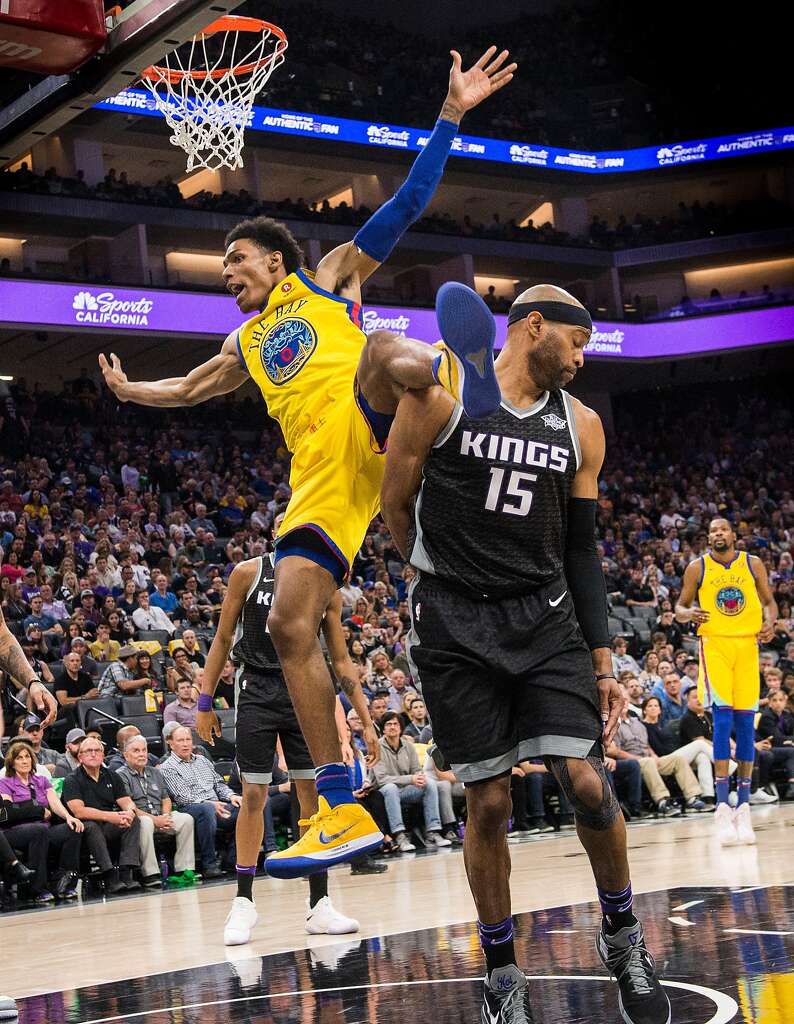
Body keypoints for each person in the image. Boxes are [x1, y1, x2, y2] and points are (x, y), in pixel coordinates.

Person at [99, 48, 515, 874]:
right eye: (223, 271)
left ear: (273, 261)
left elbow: (404, 205)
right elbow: (187, 387)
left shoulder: (324, 280)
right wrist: (127, 392)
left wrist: (451, 115)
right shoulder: (244, 344)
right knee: (289, 623)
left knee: (379, 350)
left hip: (366, 415)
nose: (228, 277)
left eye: (236, 264)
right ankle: (342, 808)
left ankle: (459, 380)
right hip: (322, 479)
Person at [381, 283, 669, 1024]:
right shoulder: (440, 392)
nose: (581, 358)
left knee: (587, 780)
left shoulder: (583, 427)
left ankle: (623, 932)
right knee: (490, 801)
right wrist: (427, 570)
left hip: (543, 618)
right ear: (531, 326)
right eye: (575, 342)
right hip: (452, 621)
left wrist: (604, 663)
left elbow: (582, 548)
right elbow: (394, 497)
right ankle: (503, 973)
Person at [195, 540, 378, 945]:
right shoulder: (248, 572)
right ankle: (243, 901)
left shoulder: (325, 586)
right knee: (254, 793)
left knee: (311, 794)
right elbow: (223, 638)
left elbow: (341, 660)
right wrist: (205, 702)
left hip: (304, 692)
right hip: (256, 687)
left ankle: (319, 903)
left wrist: (365, 719)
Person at [676, 517, 778, 845]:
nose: (717, 535)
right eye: (712, 532)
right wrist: (689, 614)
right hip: (715, 646)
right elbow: (680, 607)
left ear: (733, 535)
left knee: (747, 725)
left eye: (722, 530)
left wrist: (771, 622)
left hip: (748, 646)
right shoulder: (697, 567)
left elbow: (770, 603)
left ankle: (744, 807)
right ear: (708, 539)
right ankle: (721, 805)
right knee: (722, 722)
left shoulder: (753, 563)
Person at [0, 739, 84, 902]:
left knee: (73, 828)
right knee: (39, 831)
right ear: (12, 762)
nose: (24, 761)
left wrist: (69, 817)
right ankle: (38, 888)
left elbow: (54, 803)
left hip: (42, 829)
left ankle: (64, 880)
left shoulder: (41, 781)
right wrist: (36, 811)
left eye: (27, 757)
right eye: (19, 758)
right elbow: (9, 813)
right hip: (14, 832)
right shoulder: (5, 783)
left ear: (32, 759)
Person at [159, 725, 241, 879]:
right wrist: (211, 804)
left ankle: (232, 858)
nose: (185, 744)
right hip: (190, 808)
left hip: (217, 806)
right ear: (170, 743)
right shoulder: (167, 767)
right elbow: (183, 797)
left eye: (188, 739)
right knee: (206, 809)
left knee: (247, 809)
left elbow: (219, 784)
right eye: (180, 740)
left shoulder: (202, 760)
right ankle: (209, 864)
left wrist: (232, 796)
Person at [62, 736, 142, 894]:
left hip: (108, 826)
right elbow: (79, 811)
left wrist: (130, 813)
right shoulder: (72, 779)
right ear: (80, 756)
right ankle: (109, 875)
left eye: (97, 750)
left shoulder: (112, 775)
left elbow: (126, 801)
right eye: (88, 751)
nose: (93, 754)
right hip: (84, 830)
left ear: (103, 754)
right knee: (91, 826)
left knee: (134, 821)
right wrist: (111, 816)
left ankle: (126, 872)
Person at [115, 734, 197, 888]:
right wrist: (155, 820)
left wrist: (165, 816)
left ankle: (184, 869)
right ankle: (150, 873)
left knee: (186, 819)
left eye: (144, 750)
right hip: (140, 817)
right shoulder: (120, 775)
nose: (141, 754)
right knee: (144, 822)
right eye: (136, 750)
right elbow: (130, 807)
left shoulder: (155, 772)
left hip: (160, 815)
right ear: (126, 755)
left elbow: (165, 799)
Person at [372, 711, 451, 852]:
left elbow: (416, 770)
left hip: (405, 790)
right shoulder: (376, 747)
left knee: (429, 783)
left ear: (401, 727)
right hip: (383, 791)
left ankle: (433, 832)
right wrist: (411, 779)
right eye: (388, 724)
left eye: (395, 724)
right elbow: (382, 779)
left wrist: (419, 778)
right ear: (383, 729)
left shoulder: (409, 746)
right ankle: (399, 835)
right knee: (391, 788)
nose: (392, 727)